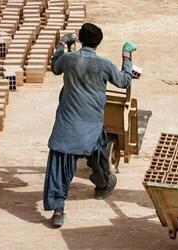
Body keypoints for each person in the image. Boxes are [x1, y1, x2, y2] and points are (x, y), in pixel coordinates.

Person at [43, 23, 137, 227]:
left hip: (67, 125)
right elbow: (123, 81)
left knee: (59, 165)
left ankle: (58, 210)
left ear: (80, 39)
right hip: (92, 125)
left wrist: (61, 44)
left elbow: (55, 66)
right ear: (99, 42)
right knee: (99, 154)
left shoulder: (68, 59)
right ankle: (103, 184)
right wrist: (127, 57)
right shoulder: (103, 64)